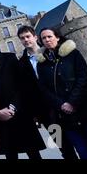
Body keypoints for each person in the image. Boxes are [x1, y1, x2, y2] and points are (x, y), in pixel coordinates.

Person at [37, 27, 87, 159]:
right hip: (65, 117)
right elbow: (44, 89)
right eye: (44, 38)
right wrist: (61, 104)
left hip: (86, 110)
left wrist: (72, 102)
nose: (47, 40)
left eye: (49, 36)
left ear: (57, 37)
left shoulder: (73, 54)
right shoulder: (42, 63)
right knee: (83, 153)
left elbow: (84, 78)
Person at [0, 32, 45, 159]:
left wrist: (13, 107)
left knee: (32, 151)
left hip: (19, 111)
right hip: (0, 115)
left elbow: (21, 85)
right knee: (10, 153)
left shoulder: (10, 58)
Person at [17, 25, 78, 159]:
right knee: (62, 143)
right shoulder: (21, 63)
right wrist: (34, 112)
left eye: (28, 36)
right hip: (44, 110)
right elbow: (25, 89)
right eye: (22, 38)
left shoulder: (50, 52)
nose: (26, 40)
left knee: (77, 139)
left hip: (62, 103)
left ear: (35, 37)